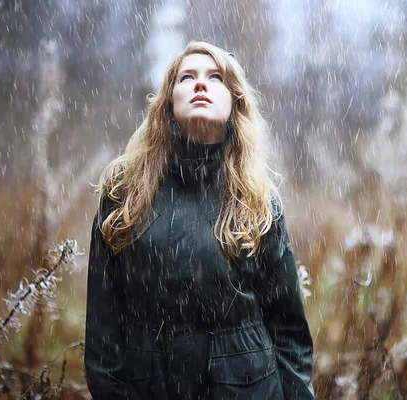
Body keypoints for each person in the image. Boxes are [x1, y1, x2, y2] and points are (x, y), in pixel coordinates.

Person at [84, 41, 314, 400]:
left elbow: (289, 331)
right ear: (168, 105)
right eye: (187, 77)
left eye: (215, 77)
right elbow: (103, 328)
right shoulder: (123, 192)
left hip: (248, 389)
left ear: (235, 103)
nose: (200, 84)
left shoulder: (259, 201)